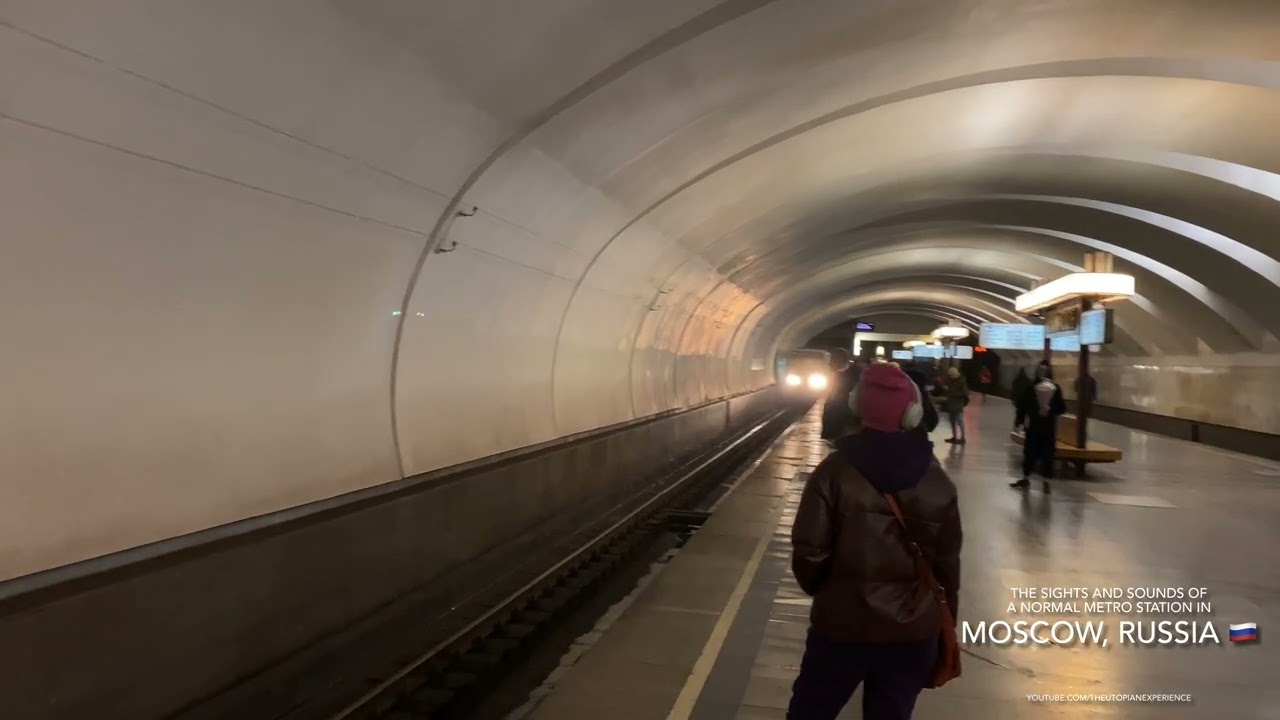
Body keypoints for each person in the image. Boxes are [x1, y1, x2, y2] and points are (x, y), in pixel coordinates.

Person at [789, 363, 963, 720]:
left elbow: (809, 552)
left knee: (811, 712)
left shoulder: (833, 473)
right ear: (913, 413)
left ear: (857, 407)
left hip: (841, 626)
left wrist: (831, 593)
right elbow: (947, 566)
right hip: (912, 631)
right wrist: (939, 618)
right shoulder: (938, 482)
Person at [1013, 361, 1066, 492]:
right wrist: (1019, 422)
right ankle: (1029, 478)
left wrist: (1049, 409)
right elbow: (1023, 407)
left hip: (1042, 426)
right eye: (1040, 370)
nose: (1042, 373)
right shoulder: (1036, 388)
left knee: (1043, 453)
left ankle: (1043, 480)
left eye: (1044, 370)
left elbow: (1061, 407)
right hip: (1038, 426)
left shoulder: (1038, 388)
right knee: (1033, 452)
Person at [820, 350, 855, 440]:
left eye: (831, 360)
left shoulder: (841, 376)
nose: (829, 364)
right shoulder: (849, 375)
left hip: (838, 412)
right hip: (840, 412)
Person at [903, 367, 940, 435]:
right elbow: (932, 421)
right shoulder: (923, 395)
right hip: (919, 433)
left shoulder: (908, 395)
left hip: (909, 433)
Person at [942, 366, 968, 445]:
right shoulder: (951, 380)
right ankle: (954, 437)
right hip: (951, 404)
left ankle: (962, 438)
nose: (949, 376)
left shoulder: (961, 381)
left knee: (959, 421)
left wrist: (953, 393)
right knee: (952, 421)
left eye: (950, 375)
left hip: (958, 404)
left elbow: (965, 393)